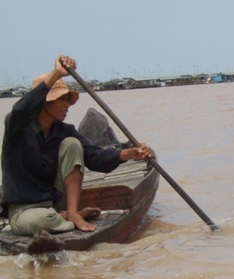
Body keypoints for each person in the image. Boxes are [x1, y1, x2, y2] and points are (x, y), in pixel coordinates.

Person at [1, 55, 153, 236]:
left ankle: (71, 213)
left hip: (55, 202)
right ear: (43, 103)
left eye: (67, 99)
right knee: (42, 221)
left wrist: (128, 154)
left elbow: (94, 157)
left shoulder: (64, 131)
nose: (67, 105)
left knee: (73, 144)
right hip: (25, 211)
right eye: (61, 100)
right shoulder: (18, 126)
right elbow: (20, 109)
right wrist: (57, 74)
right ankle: (65, 219)